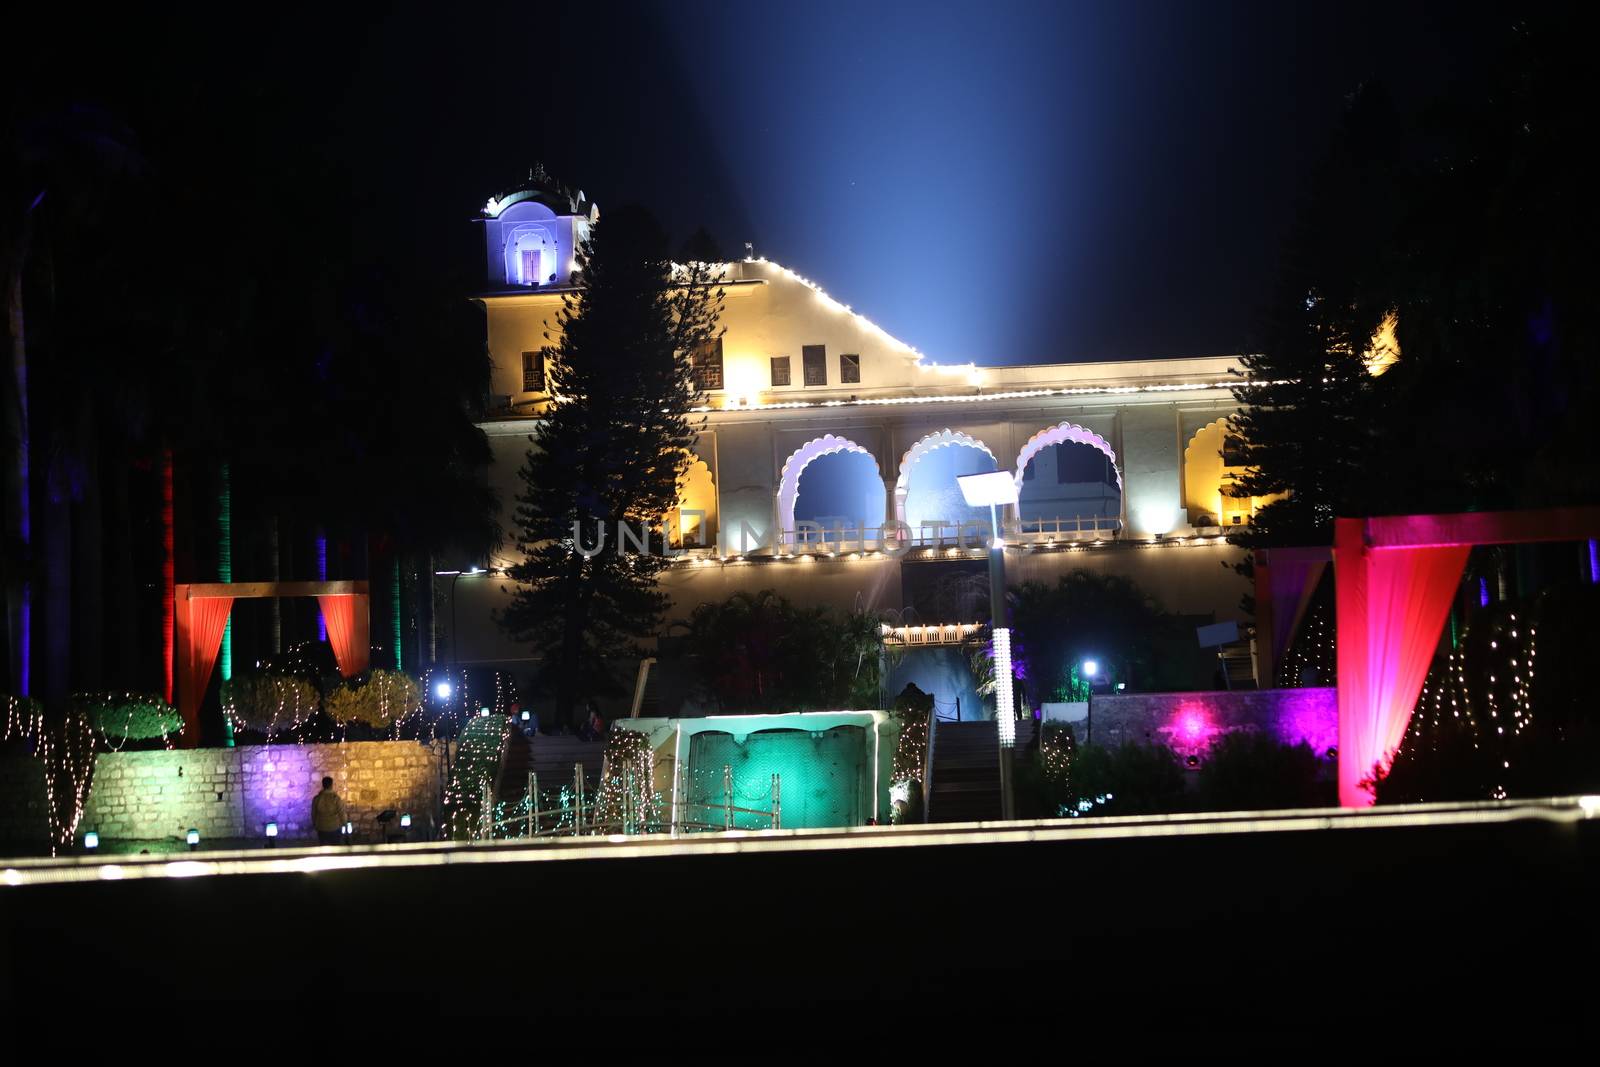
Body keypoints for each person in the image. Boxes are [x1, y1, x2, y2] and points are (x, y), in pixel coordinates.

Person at [313, 776, 346, 845]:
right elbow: (342, 813)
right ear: (331, 785)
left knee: (323, 848)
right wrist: (344, 824)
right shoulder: (336, 799)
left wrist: (315, 825)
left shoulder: (316, 799)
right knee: (336, 848)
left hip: (321, 827)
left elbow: (313, 814)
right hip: (335, 827)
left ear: (323, 785)